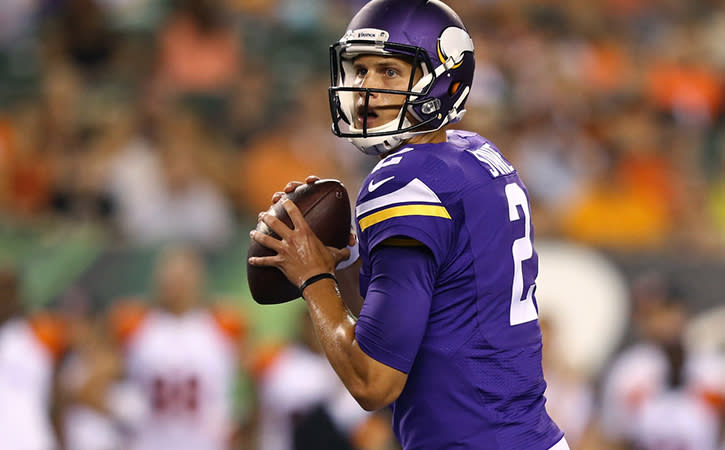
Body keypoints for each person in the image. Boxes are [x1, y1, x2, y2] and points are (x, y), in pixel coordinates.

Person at [248, 1, 569, 448]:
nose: (367, 88)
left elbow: (373, 383)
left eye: (390, 72)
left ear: (444, 80)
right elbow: (439, 295)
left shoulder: (402, 182)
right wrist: (347, 258)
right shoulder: (477, 153)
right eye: (360, 70)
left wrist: (314, 278)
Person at [109, 246, 247, 450]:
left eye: (183, 277)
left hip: (207, 443)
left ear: (199, 280)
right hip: (149, 441)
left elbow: (256, 380)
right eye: (171, 277)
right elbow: (93, 384)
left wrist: (238, 418)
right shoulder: (135, 325)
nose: (176, 285)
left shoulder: (224, 324)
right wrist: (120, 407)